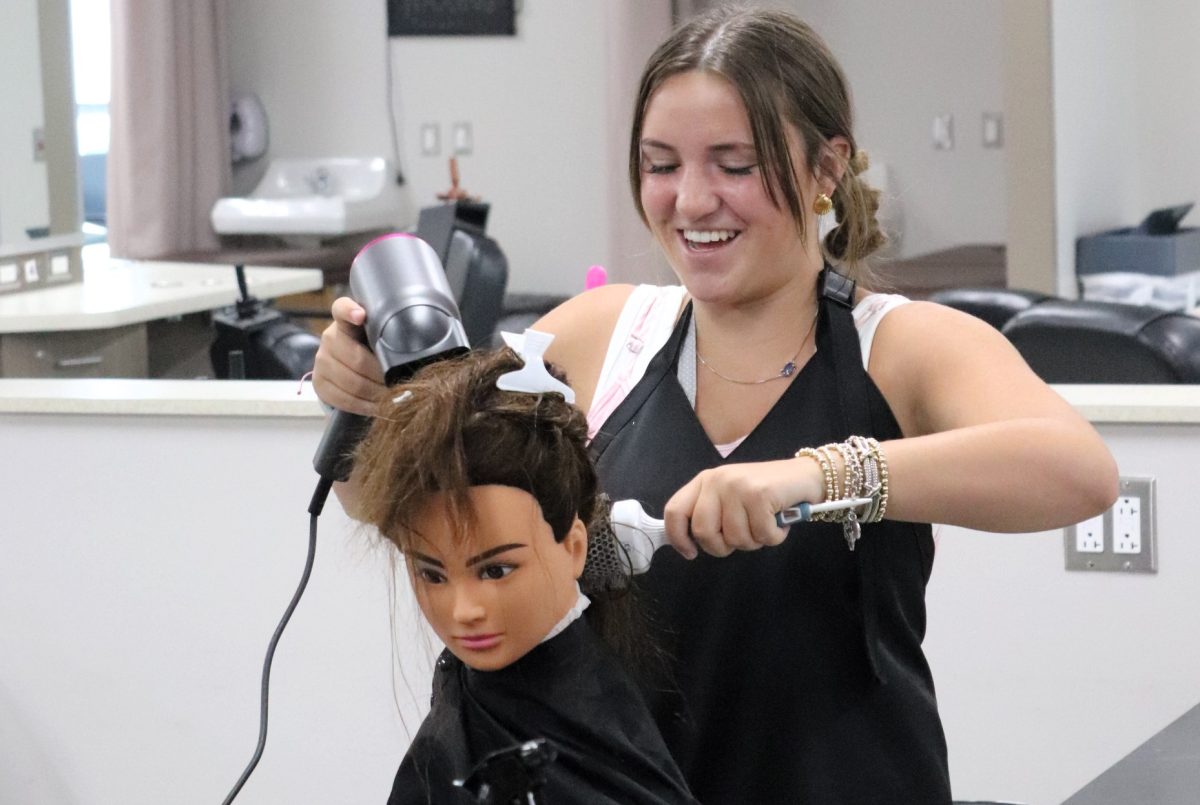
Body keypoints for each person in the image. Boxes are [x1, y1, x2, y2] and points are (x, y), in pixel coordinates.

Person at [315, 6, 1118, 803]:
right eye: (661, 164)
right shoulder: (600, 337)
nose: (692, 201)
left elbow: (1079, 471)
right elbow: (405, 502)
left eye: (734, 164)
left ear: (825, 167)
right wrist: (360, 407)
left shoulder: (901, 346)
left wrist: (817, 477)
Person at [351, 347, 697, 804]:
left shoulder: (593, 743)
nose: (464, 610)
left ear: (573, 547)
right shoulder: (471, 689)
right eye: (432, 575)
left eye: (496, 570)